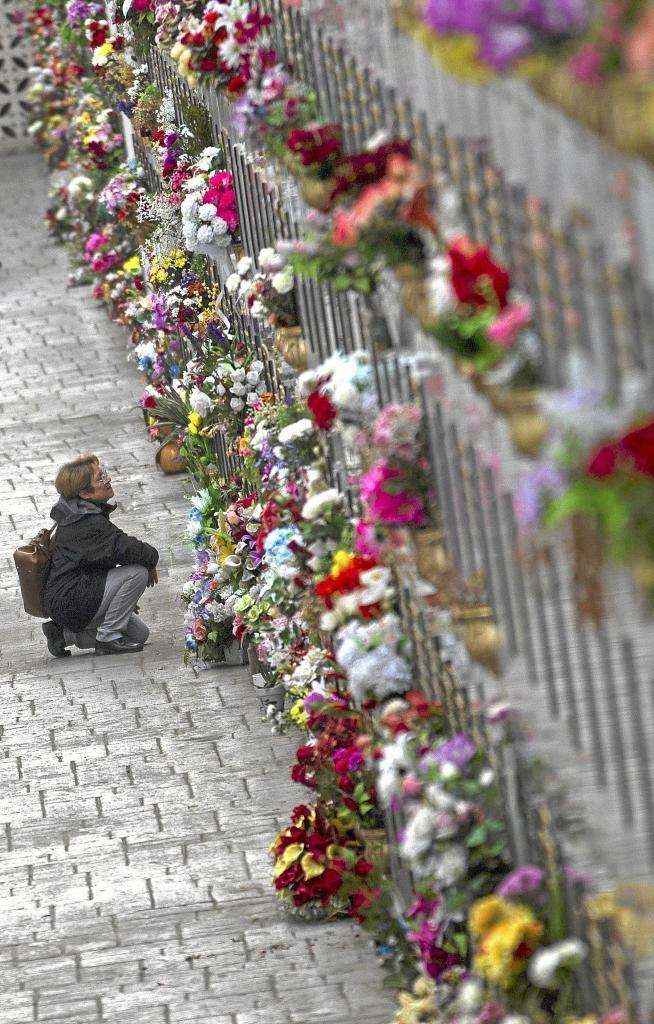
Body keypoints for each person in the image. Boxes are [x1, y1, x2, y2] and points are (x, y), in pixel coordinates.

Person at [42, 454, 159, 657]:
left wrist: (120, 599)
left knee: (139, 635)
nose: (108, 479)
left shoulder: (80, 512)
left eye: (104, 473)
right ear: (85, 493)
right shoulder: (86, 523)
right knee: (137, 572)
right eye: (101, 478)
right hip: (71, 599)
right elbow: (126, 549)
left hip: (74, 596)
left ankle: (63, 635)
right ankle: (108, 639)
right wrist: (150, 561)